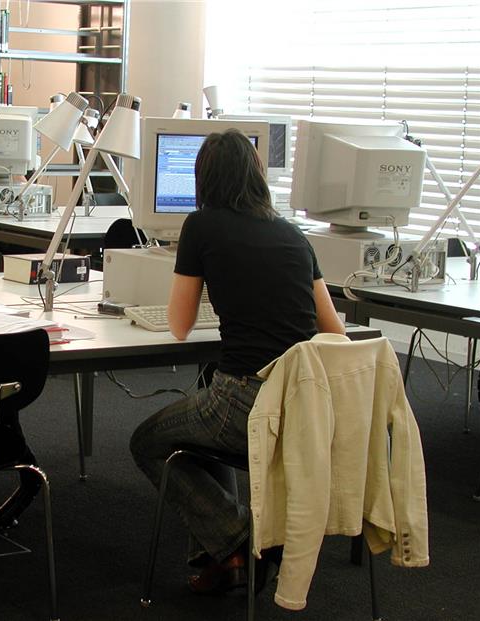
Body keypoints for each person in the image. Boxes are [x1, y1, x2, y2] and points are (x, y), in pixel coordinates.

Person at [130, 129, 345, 594]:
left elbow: (179, 325)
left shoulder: (201, 226)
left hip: (244, 404)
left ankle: (241, 536)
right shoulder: (293, 235)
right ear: (258, 175)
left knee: (146, 442)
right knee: (197, 426)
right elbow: (334, 331)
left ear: (203, 179)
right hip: (303, 409)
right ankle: (220, 562)